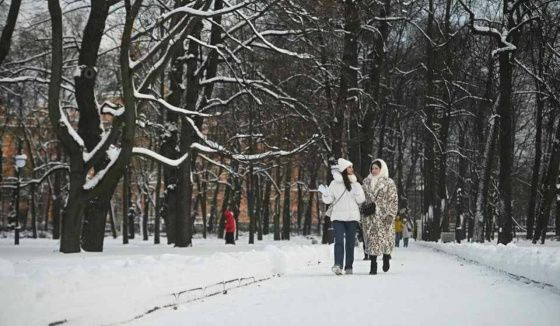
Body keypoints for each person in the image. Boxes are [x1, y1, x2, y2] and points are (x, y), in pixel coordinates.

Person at [319, 158, 366, 275]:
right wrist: (325, 195)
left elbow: (361, 200)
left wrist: (357, 193)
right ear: (344, 169)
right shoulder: (334, 184)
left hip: (352, 218)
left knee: (350, 243)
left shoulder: (356, 184)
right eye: (349, 167)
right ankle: (338, 265)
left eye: (352, 167)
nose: (352, 169)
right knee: (339, 241)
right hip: (338, 217)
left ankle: (349, 266)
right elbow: (329, 200)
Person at [361, 159, 399, 275]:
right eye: (372, 168)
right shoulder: (366, 182)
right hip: (370, 217)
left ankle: (386, 257)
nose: (374, 170)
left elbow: (393, 200)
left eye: (376, 168)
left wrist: (391, 214)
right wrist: (362, 211)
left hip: (384, 216)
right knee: (372, 240)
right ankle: (373, 265)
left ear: (382, 169)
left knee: (386, 240)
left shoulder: (388, 182)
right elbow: (361, 199)